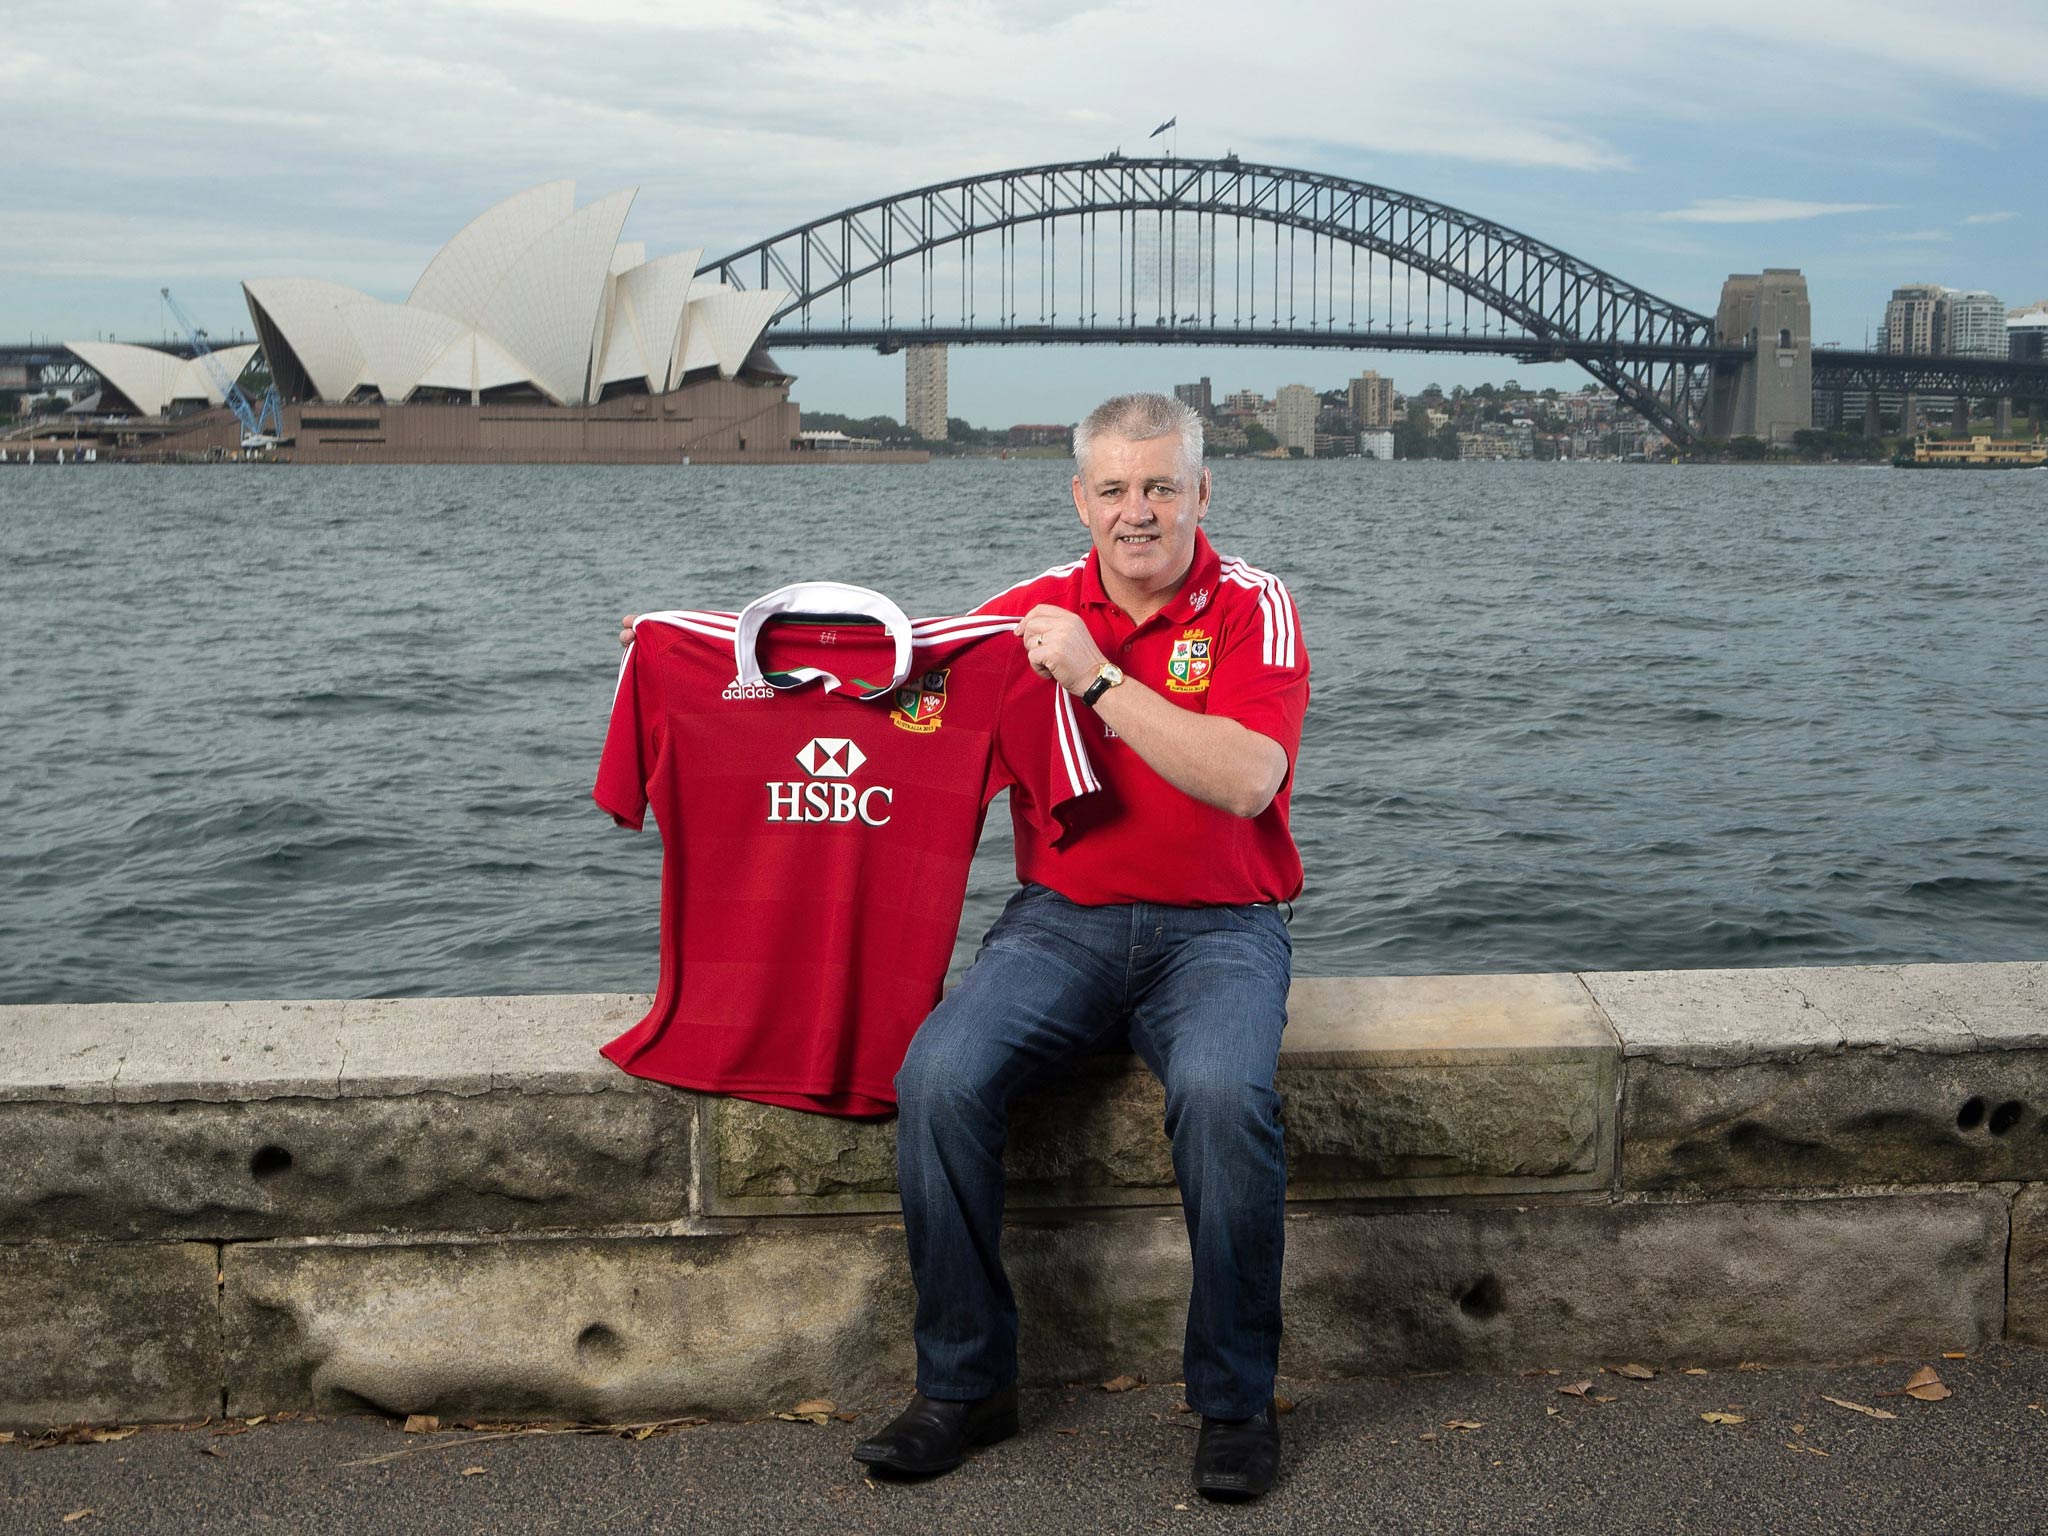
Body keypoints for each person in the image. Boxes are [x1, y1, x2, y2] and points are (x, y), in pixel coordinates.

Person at [617, 392, 1308, 1500]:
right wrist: (691, 652)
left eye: (1161, 487)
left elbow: (1248, 779)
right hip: (1063, 922)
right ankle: (966, 1383)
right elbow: (876, 679)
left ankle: (1231, 1403)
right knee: (937, 1075)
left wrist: (1094, 676)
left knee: (1225, 1100)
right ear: (1081, 499)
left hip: (1220, 929)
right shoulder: (1019, 614)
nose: (1139, 512)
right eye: (1117, 490)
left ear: (1200, 494)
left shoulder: (1249, 604)